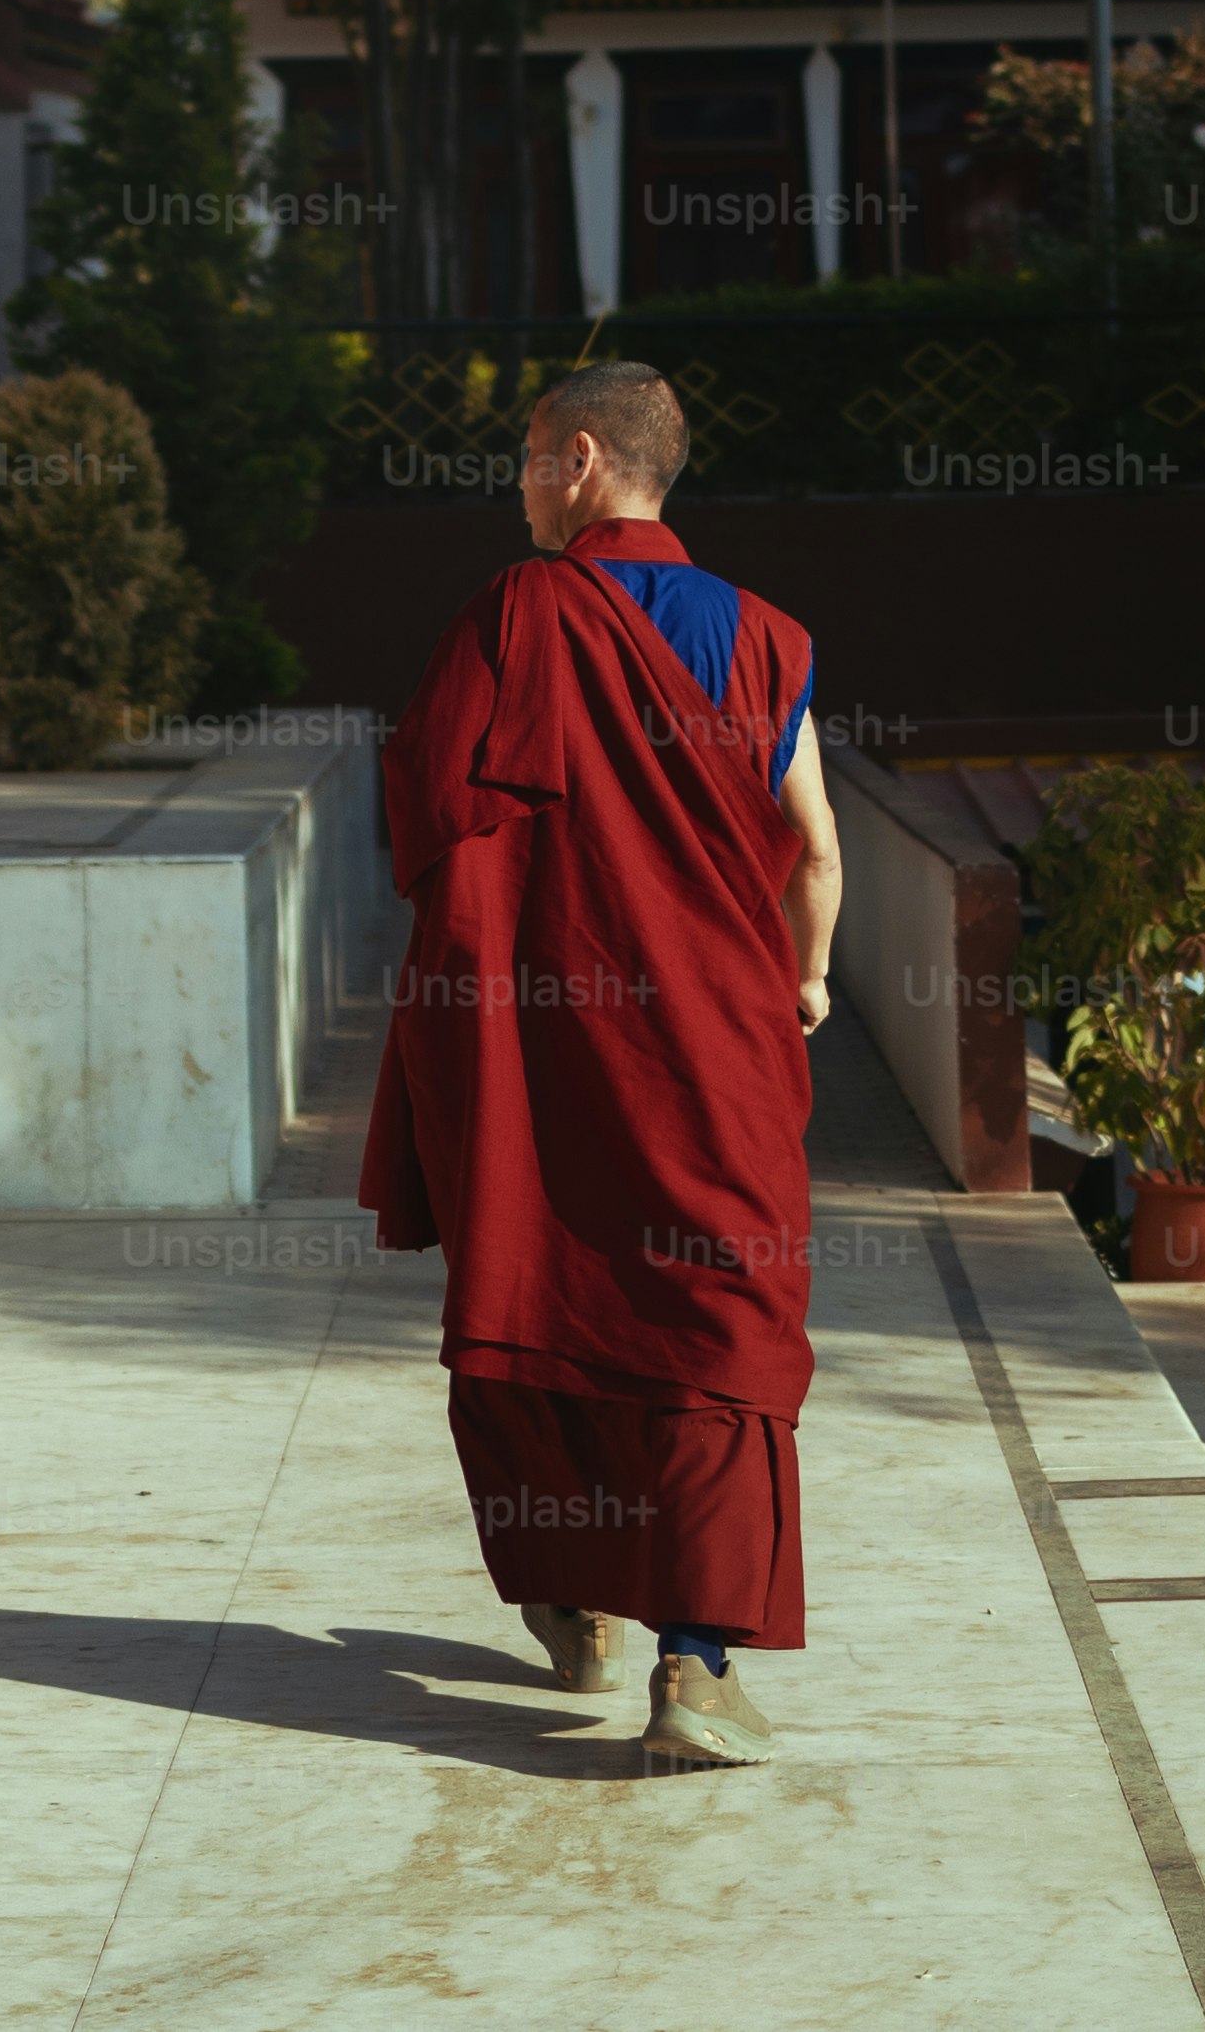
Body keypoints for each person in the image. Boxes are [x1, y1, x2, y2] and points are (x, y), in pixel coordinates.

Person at [359, 360, 844, 1772]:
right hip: (714, 1054)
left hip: (541, 1045)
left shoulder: (518, 614)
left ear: (579, 459)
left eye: (526, 458)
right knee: (712, 1319)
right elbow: (816, 849)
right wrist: (807, 980)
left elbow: (426, 807)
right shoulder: (766, 637)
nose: (518, 488)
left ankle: (573, 1603)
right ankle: (696, 1665)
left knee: (539, 1284)